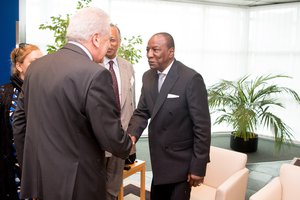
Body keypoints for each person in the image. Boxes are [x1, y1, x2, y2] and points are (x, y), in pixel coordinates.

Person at [12, 7, 132, 200]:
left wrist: (31, 168)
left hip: (42, 180)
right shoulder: (95, 74)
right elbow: (111, 137)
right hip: (79, 185)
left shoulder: (36, 69)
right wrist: (128, 144)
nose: (109, 45)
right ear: (95, 39)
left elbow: (19, 124)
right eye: (107, 39)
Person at [127, 32, 211, 200]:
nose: (149, 55)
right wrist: (131, 135)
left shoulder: (191, 78)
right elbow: (143, 111)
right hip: (159, 162)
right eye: (147, 50)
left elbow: (202, 126)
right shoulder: (148, 77)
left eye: (155, 50)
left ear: (171, 52)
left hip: (181, 164)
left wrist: (198, 167)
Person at [0, 43, 42, 200]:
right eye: (33, 62)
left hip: (41, 169)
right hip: (12, 169)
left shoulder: (46, 92)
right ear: (19, 66)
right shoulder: (4, 94)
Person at [102, 24, 136, 200]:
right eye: (106, 39)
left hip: (120, 139)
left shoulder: (128, 67)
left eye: (113, 39)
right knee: (94, 188)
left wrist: (130, 139)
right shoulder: (91, 65)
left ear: (120, 42)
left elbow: (132, 104)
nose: (109, 43)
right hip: (96, 143)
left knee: (113, 189)